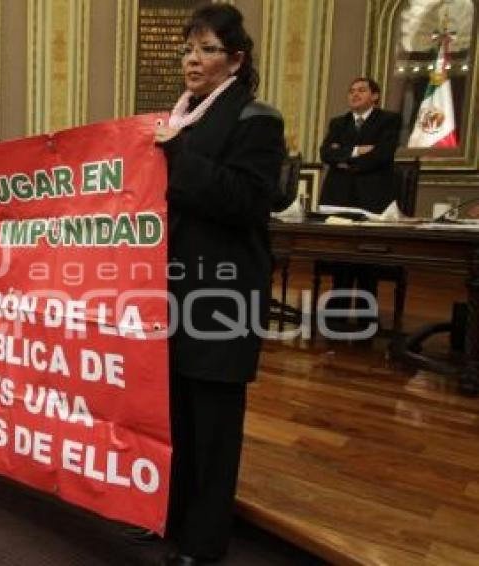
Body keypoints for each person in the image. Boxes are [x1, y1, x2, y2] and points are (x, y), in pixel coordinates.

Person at [153, 5, 285, 564]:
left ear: (236, 59)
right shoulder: (182, 117)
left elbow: (248, 199)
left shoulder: (258, 119)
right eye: (189, 47)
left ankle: (203, 544)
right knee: (174, 413)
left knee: (211, 424)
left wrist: (175, 155)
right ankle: (171, 516)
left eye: (207, 49)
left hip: (221, 294)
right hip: (171, 291)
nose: (192, 58)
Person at [318, 78, 401, 326]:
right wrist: (356, 152)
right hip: (338, 196)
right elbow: (326, 154)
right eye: (351, 90)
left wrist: (344, 160)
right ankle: (337, 314)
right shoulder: (338, 122)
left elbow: (382, 155)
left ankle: (366, 316)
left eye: (361, 90)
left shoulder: (389, 120)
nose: (354, 94)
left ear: (375, 96)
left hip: (372, 197)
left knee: (367, 257)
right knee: (340, 254)